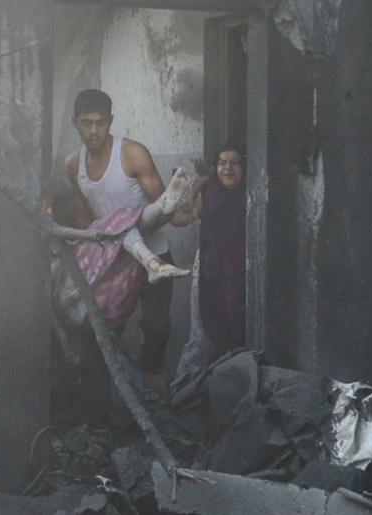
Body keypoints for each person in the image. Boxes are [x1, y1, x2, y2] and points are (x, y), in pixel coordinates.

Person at [54, 88, 188, 407]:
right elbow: (88, 214)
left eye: (101, 123)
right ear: (75, 122)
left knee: (156, 325)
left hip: (150, 249)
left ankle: (153, 378)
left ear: (111, 121)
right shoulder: (73, 165)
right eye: (87, 123)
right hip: (111, 259)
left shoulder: (133, 154)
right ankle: (106, 402)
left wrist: (131, 225)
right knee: (103, 328)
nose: (94, 131)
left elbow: (166, 215)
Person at [173, 142, 248, 374]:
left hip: (242, 276)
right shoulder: (208, 193)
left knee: (239, 338)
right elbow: (179, 217)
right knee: (201, 339)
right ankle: (182, 391)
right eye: (222, 163)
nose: (228, 169)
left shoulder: (251, 194)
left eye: (235, 163)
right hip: (208, 275)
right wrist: (198, 181)